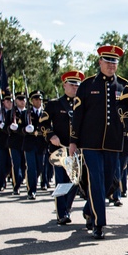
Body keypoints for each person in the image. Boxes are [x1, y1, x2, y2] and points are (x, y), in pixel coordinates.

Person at [70, 45, 128, 239]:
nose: (111, 65)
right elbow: (77, 116)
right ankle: (99, 223)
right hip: (90, 143)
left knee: (109, 183)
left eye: (114, 62)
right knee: (96, 180)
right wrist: (74, 141)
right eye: (107, 61)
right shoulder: (88, 85)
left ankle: (90, 209)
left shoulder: (124, 86)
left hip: (115, 142)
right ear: (100, 62)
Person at [41, 70, 84, 225]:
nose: (75, 88)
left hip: (76, 150)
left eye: (77, 85)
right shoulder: (54, 104)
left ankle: (66, 208)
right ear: (65, 84)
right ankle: (61, 213)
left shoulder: (82, 104)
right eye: (72, 84)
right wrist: (50, 135)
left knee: (74, 181)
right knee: (62, 180)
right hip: (59, 149)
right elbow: (43, 123)